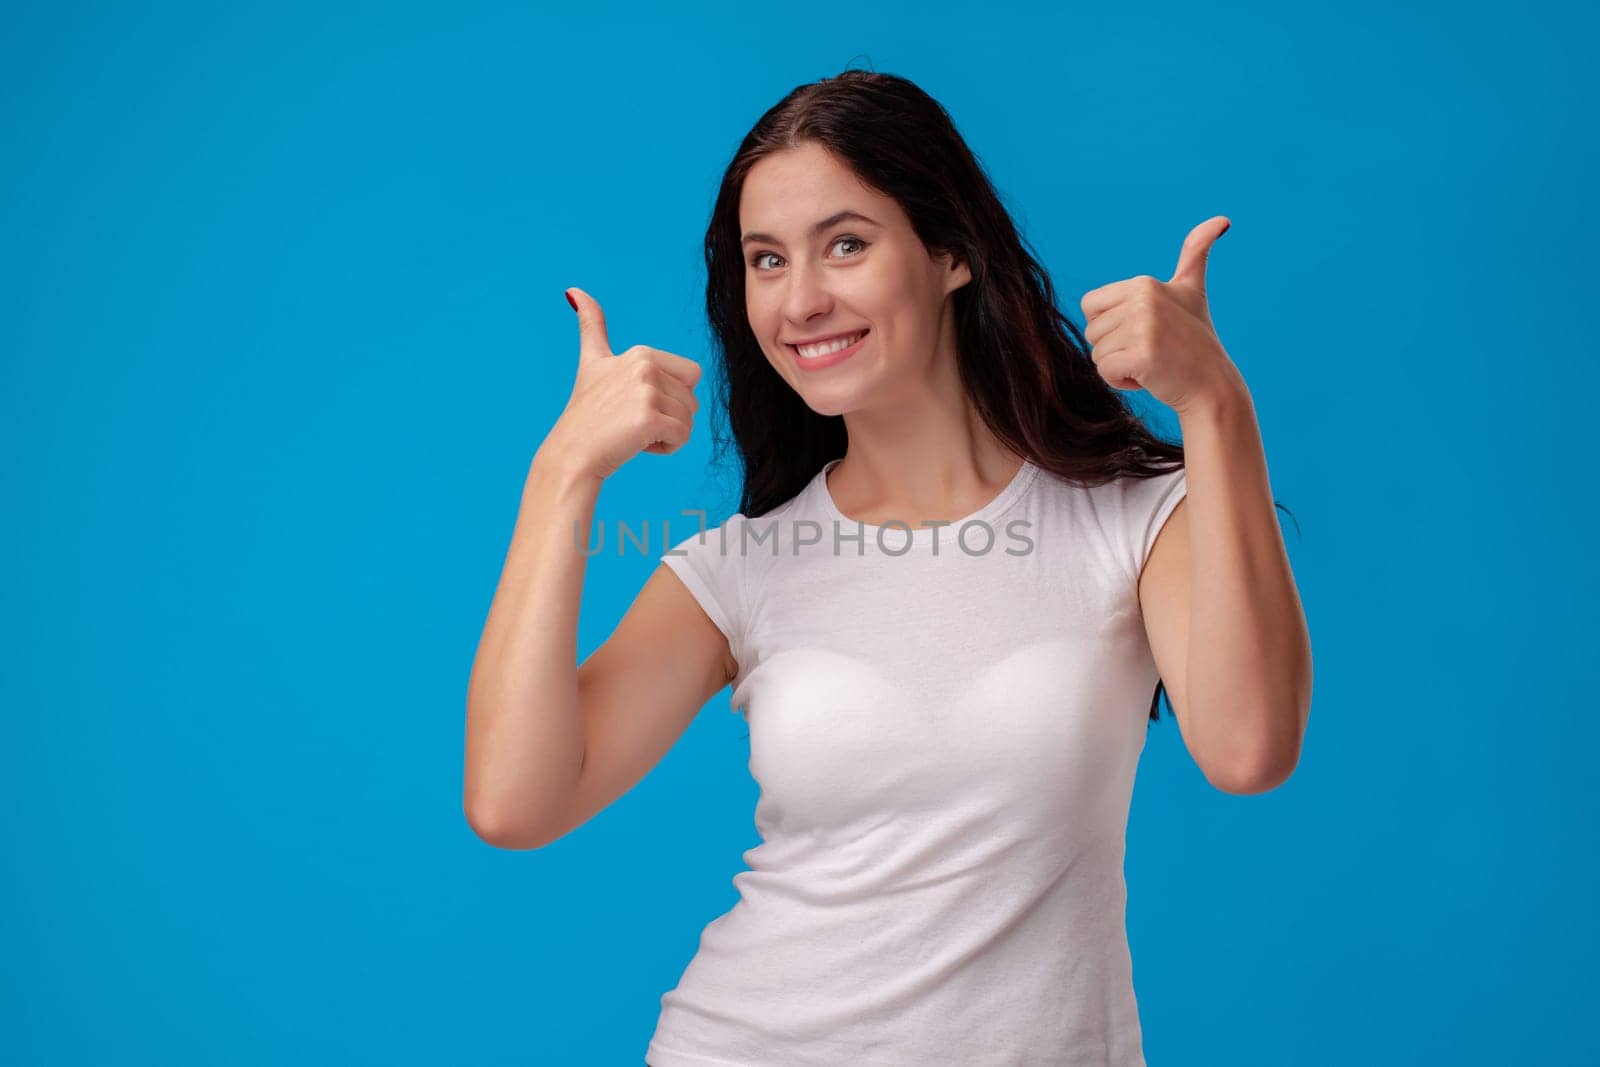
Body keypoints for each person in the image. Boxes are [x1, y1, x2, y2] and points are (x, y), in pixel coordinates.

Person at [463, 69, 1312, 1067]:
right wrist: (560, 475)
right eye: (765, 259)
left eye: (847, 244)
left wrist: (1217, 404)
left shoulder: (1130, 515)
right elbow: (514, 802)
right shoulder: (740, 565)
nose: (802, 299)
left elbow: (1248, 748)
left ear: (949, 251)